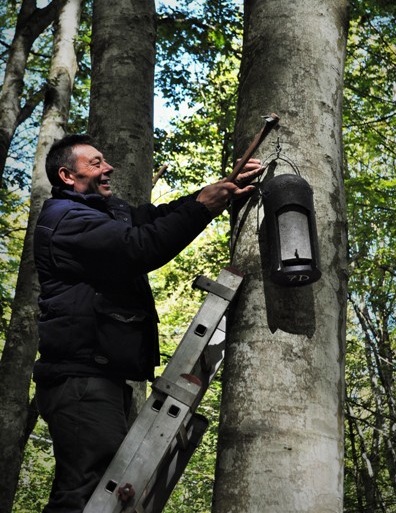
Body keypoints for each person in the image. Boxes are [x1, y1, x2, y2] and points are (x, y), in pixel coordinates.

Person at [33, 133, 263, 513]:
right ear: (67, 176)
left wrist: (214, 192)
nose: (108, 168)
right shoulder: (67, 220)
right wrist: (203, 208)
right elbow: (139, 246)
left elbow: (153, 218)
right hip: (80, 381)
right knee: (84, 495)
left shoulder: (101, 211)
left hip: (97, 379)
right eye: (95, 163)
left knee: (103, 492)